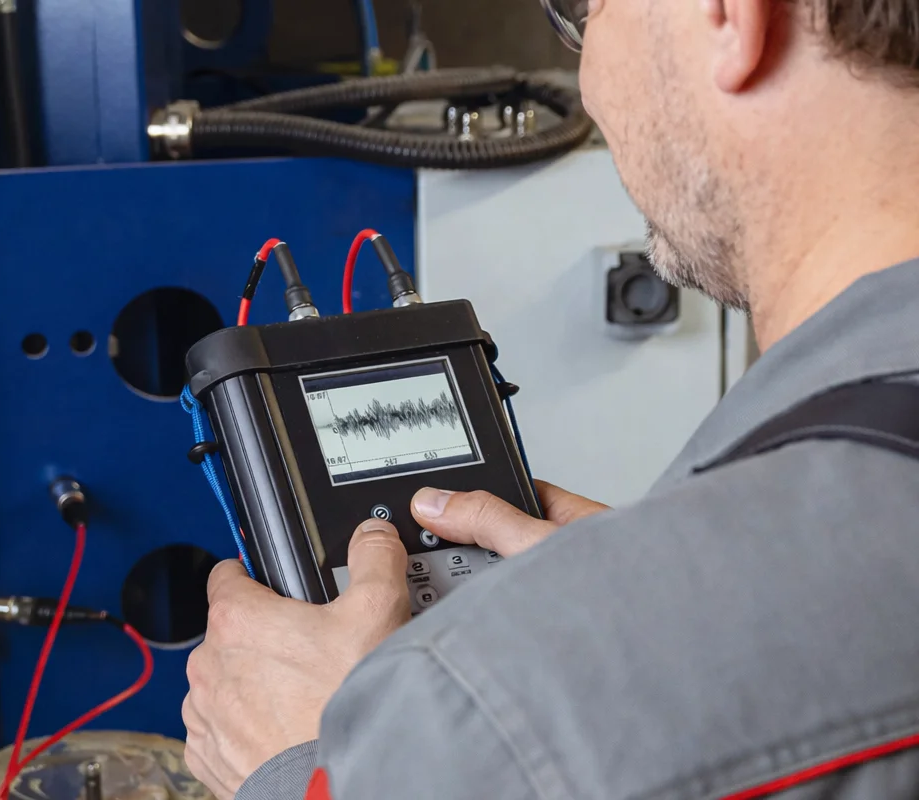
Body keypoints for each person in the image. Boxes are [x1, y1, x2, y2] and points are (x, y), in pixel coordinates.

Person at [182, 0, 919, 797]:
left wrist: (315, 764)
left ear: (729, 18)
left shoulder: (501, 721)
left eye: (586, 13)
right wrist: (669, 611)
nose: (587, 77)